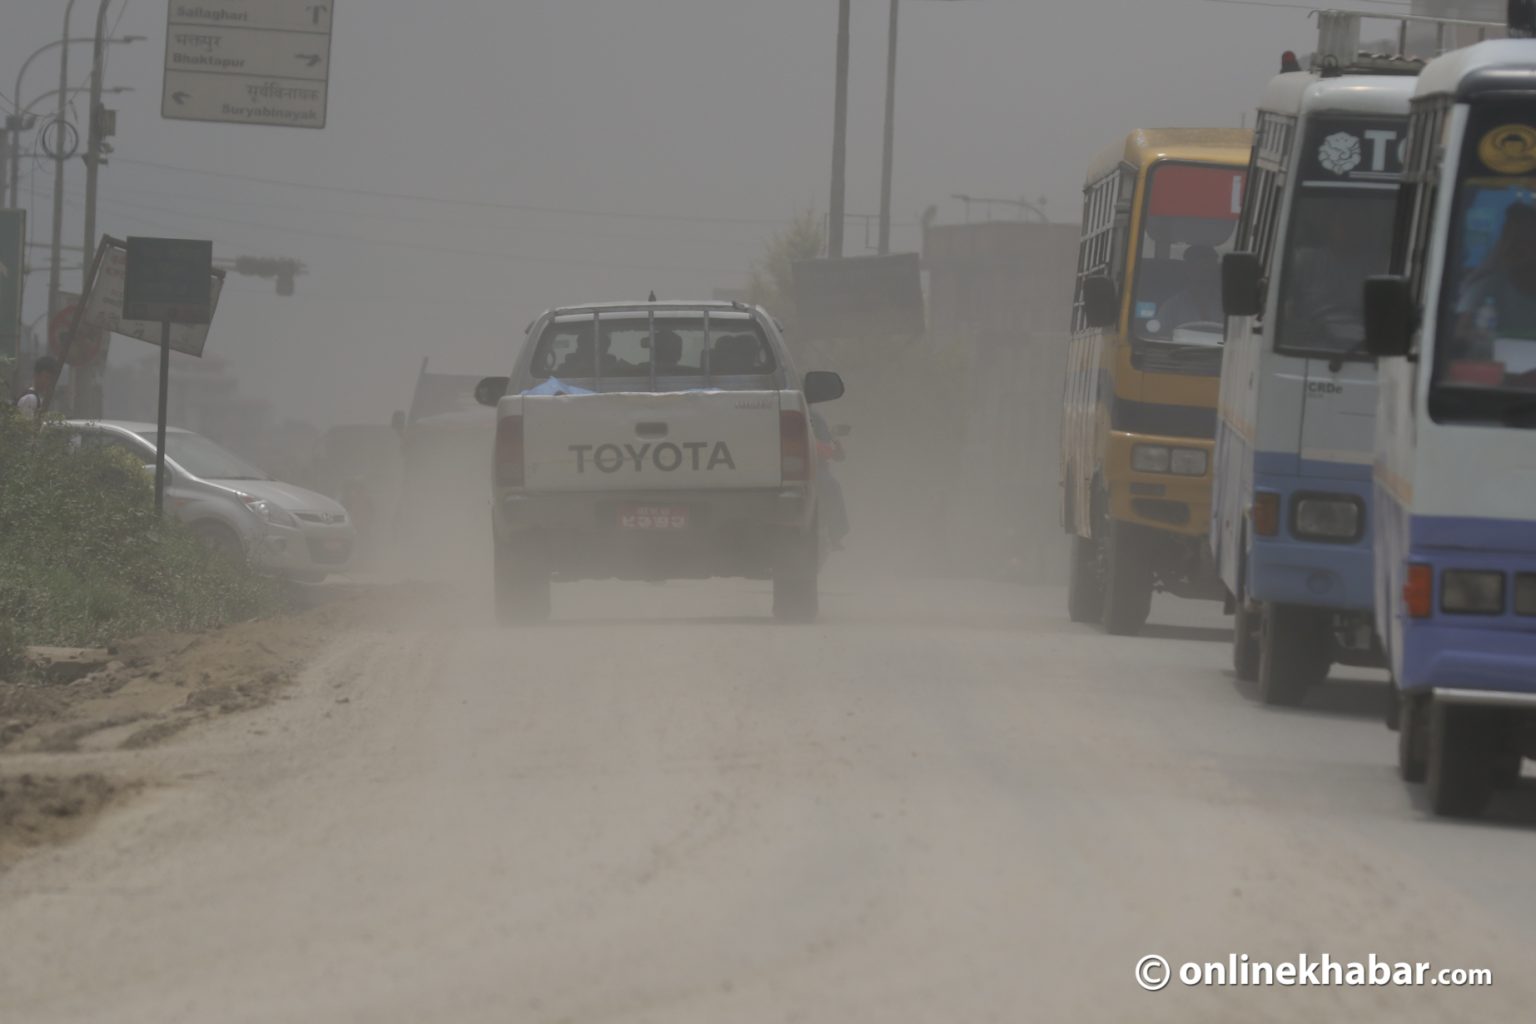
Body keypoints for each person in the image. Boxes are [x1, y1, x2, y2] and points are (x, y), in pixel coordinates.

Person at [1452, 201, 1536, 363]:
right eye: (1508, 237)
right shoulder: (1484, 287)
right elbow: (1460, 336)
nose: (1513, 246)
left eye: (1524, 240)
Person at [1155, 244, 1224, 334]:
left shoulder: (1230, 306)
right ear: (1188, 271)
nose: (1205, 273)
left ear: (1216, 271)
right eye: (1199, 268)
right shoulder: (1171, 307)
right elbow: (1158, 338)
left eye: (1209, 268)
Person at [809, 408, 849, 551]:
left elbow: (838, 454)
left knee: (832, 487)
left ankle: (834, 534)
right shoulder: (811, 416)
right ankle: (835, 534)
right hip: (810, 468)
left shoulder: (814, 417)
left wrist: (835, 445)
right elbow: (830, 450)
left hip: (814, 468)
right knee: (832, 488)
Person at [14, 356, 60, 422]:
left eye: (51, 379)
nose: (49, 382)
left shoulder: (38, 398)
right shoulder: (30, 398)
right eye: (46, 377)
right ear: (36, 375)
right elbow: (25, 429)